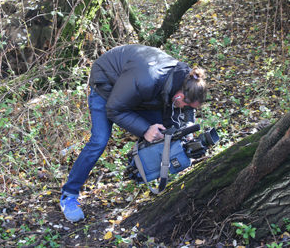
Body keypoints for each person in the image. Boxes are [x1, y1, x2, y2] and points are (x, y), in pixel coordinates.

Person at [60, 44, 207, 222]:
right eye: (186, 105)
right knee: (99, 140)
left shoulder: (183, 81)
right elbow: (114, 109)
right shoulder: (148, 79)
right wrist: (145, 130)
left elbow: (186, 111)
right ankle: (69, 194)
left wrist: (188, 127)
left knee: (166, 131)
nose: (186, 109)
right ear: (180, 96)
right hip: (106, 84)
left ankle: (148, 172)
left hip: (135, 91)